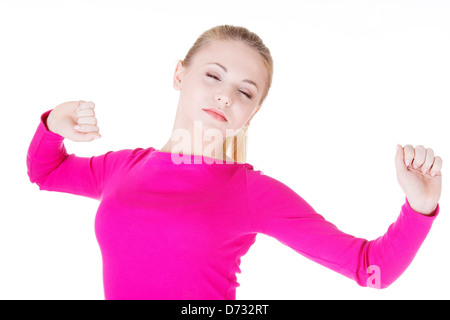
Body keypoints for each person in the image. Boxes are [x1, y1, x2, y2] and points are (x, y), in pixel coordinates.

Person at [26, 25, 443, 300]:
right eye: (213, 75)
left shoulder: (250, 193)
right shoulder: (122, 169)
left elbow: (372, 270)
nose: (226, 96)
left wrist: (420, 208)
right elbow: (45, 172)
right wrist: (53, 123)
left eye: (245, 92)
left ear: (253, 112)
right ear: (179, 75)